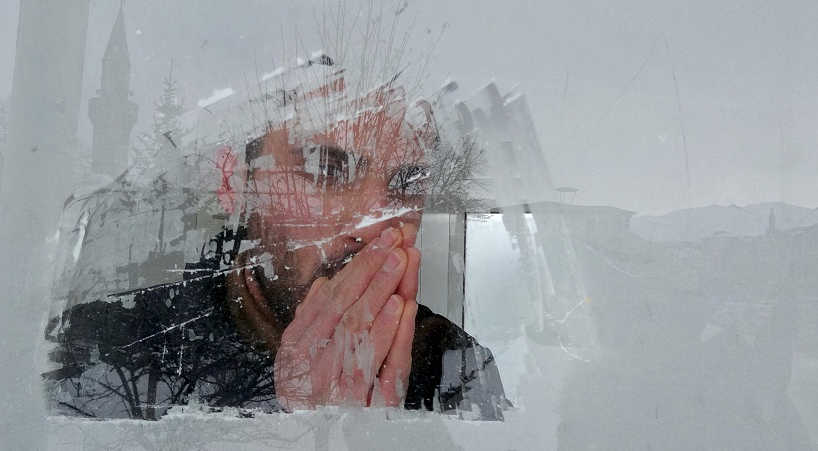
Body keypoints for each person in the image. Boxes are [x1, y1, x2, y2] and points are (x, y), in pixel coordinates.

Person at [45, 62, 506, 420]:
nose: (372, 229)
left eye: (407, 183)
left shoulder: (455, 365)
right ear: (238, 183)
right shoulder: (106, 349)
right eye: (326, 169)